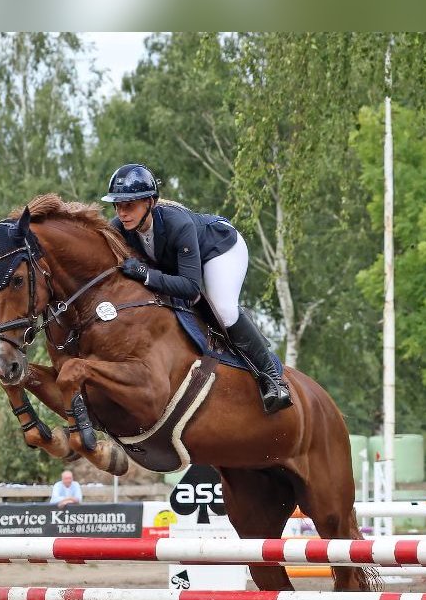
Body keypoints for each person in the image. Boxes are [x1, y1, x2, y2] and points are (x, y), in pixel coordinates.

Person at [102, 163, 293, 414]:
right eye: (117, 205)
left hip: (220, 249)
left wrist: (146, 275)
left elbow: (191, 288)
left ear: (150, 202)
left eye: (129, 205)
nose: (122, 212)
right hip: (184, 262)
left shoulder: (177, 224)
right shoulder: (119, 227)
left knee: (223, 310)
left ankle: (273, 379)